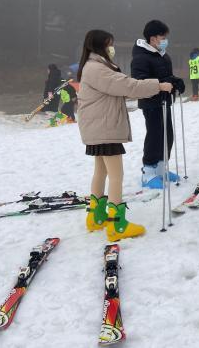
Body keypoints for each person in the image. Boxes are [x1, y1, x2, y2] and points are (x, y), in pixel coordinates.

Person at [77, 29, 173, 241]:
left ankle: (96, 216)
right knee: (116, 175)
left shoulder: (93, 66)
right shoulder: (97, 68)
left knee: (100, 171)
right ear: (100, 46)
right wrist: (158, 86)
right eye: (109, 44)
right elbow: (126, 85)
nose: (112, 48)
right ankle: (116, 224)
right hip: (104, 128)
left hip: (98, 127)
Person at [131, 20, 185, 189]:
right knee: (154, 135)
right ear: (153, 38)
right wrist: (160, 86)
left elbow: (166, 76)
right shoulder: (141, 58)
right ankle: (148, 171)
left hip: (164, 102)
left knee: (167, 134)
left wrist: (176, 82)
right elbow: (140, 82)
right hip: (151, 103)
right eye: (163, 37)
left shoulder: (163, 55)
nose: (165, 40)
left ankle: (161, 168)